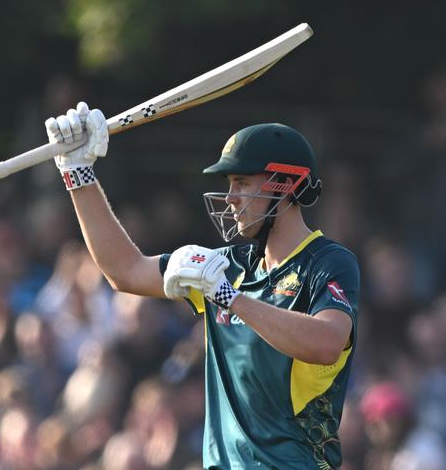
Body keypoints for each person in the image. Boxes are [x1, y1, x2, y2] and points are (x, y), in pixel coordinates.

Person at [44, 102, 360, 469]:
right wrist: (78, 174)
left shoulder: (328, 261)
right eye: (229, 184)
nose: (231, 197)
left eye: (242, 182)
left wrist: (229, 297)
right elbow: (124, 270)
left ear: (285, 185)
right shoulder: (228, 265)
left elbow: (326, 343)